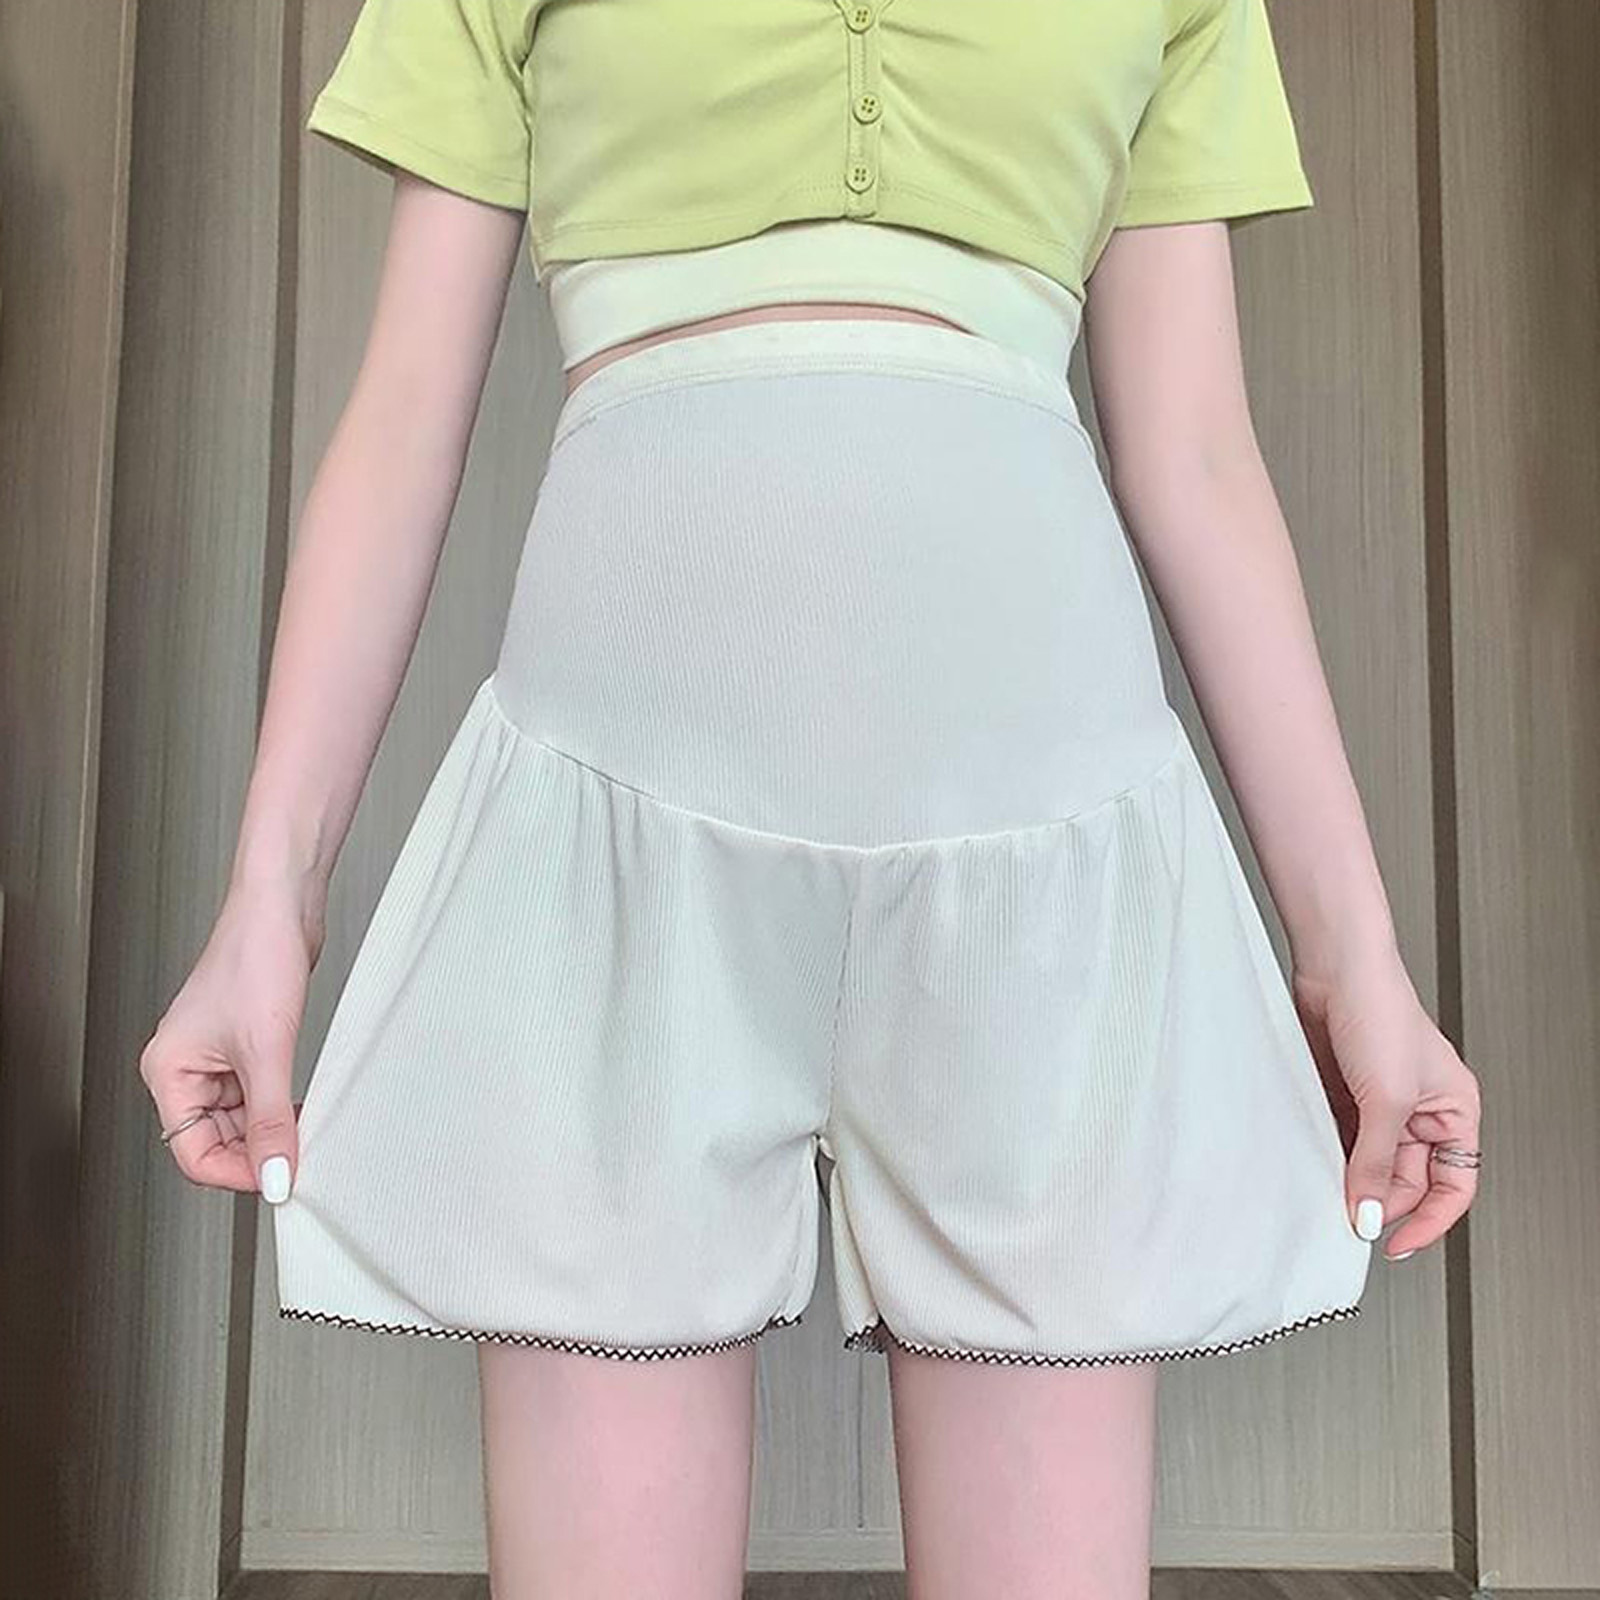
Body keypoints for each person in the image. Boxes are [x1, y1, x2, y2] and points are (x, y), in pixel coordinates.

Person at [138, 1, 1484, 1593]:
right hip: (612, 842)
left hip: (1040, 857)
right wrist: (268, 902)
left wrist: (1354, 956)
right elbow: (400, 426)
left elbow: (1197, 459)